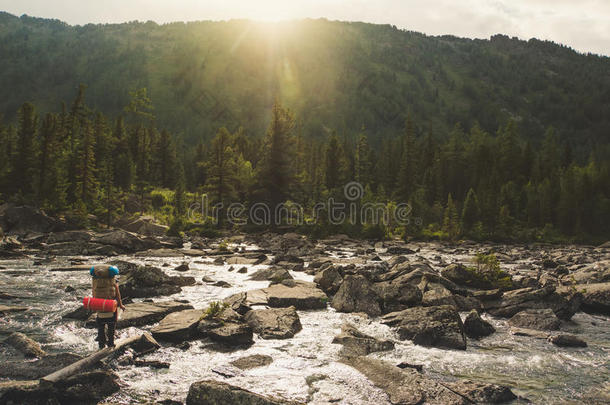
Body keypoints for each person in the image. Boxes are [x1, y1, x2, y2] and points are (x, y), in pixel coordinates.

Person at [90, 265, 125, 349]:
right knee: (111, 327)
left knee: (101, 327)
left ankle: (101, 345)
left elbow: (93, 293)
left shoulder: (95, 281)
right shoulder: (113, 281)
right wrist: (120, 305)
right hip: (111, 306)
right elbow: (117, 294)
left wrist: (94, 304)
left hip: (100, 306)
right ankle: (110, 343)